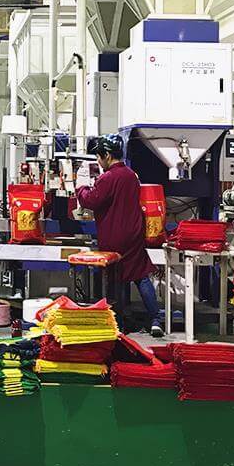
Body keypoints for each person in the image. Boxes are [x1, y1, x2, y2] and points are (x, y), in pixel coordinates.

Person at [76, 134, 164, 337]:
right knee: (141, 276)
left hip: (114, 235)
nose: (98, 161)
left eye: (98, 157)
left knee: (116, 278)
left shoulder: (108, 178)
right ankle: (155, 320)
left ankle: (119, 322)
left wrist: (80, 188)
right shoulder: (131, 175)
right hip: (134, 234)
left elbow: (91, 200)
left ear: (107, 155)